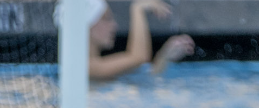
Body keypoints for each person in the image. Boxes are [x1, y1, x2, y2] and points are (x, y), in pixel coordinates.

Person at [61, 0, 195, 79]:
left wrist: (163, 58)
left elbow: (144, 81)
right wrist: (138, 9)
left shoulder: (92, 65)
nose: (114, 26)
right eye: (106, 19)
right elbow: (138, 57)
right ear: (85, 26)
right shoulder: (84, 66)